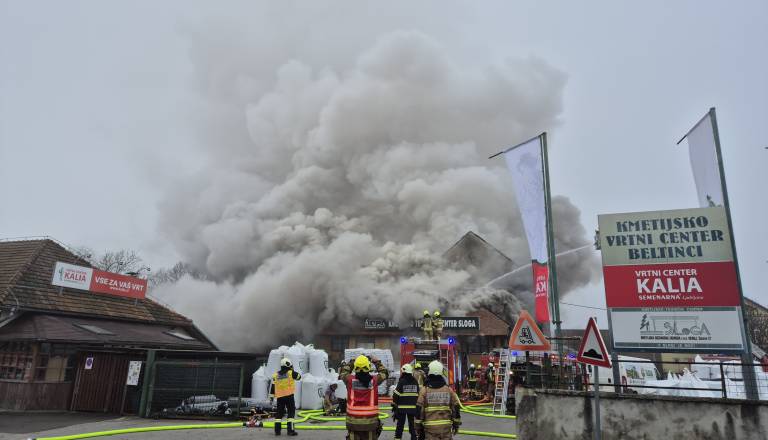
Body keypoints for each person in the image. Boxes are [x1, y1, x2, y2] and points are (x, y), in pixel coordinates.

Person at [339, 355, 389, 440]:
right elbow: (385, 373)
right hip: (370, 423)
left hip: (353, 423)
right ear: (368, 367)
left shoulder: (349, 380)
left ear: (355, 367)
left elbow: (343, 373)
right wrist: (376, 362)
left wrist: (352, 362)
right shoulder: (374, 380)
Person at [415, 360, 461, 440]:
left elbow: (419, 410)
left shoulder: (424, 390)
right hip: (446, 429)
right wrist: (456, 425)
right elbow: (456, 408)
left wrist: (417, 427)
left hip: (429, 430)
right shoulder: (449, 390)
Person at [270, 358, 301, 436]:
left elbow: (273, 387)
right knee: (291, 413)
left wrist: (271, 397)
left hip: (280, 397)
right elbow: (299, 377)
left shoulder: (275, 375)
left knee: (279, 414)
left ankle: (277, 431)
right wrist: (292, 369)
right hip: (289, 396)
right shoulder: (291, 373)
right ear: (288, 364)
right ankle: (290, 431)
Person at [392, 364, 420, 440]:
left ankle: (398, 438)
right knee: (412, 427)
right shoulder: (415, 381)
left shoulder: (402, 381)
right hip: (413, 409)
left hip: (402, 409)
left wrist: (395, 404)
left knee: (400, 427)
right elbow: (418, 394)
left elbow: (396, 395)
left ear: (404, 371)